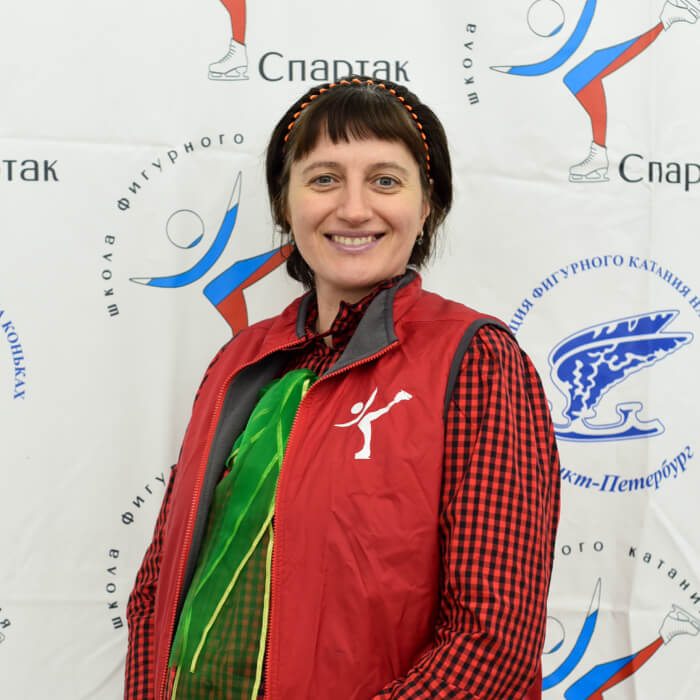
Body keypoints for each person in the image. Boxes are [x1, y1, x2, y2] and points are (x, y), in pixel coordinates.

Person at [125, 76, 561, 700]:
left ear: (427, 205)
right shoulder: (238, 362)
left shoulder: (477, 361)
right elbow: (157, 585)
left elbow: (491, 643)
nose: (354, 209)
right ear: (285, 204)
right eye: (324, 178)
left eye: (385, 180)